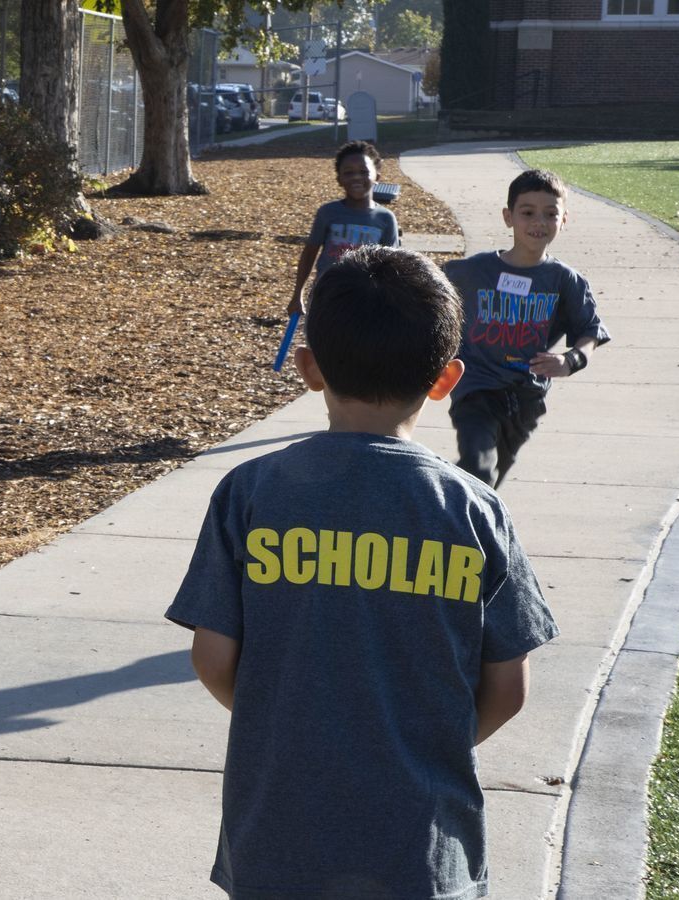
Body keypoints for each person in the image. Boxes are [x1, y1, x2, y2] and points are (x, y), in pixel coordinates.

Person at [168, 246, 559, 899]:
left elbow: (212, 657)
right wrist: (427, 740)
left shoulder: (251, 493)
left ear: (308, 368)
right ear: (445, 379)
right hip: (422, 847)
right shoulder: (473, 510)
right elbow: (510, 687)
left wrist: (290, 720)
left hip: (278, 839)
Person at [443, 168, 610, 488]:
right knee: (479, 468)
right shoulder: (471, 271)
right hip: (475, 388)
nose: (539, 222)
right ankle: (451, 518)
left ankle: (457, 514)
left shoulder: (565, 280)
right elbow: (427, 293)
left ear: (564, 220)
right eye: (528, 212)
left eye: (550, 214)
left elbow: (590, 329)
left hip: (527, 395)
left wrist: (571, 360)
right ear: (508, 217)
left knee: (489, 481)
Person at [287, 140, 400, 316]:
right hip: (327, 296)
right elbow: (309, 253)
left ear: (377, 176)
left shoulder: (385, 218)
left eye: (363, 172)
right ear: (339, 179)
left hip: (366, 301)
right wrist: (297, 295)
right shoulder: (328, 213)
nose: (356, 177)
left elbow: (391, 266)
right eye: (348, 173)